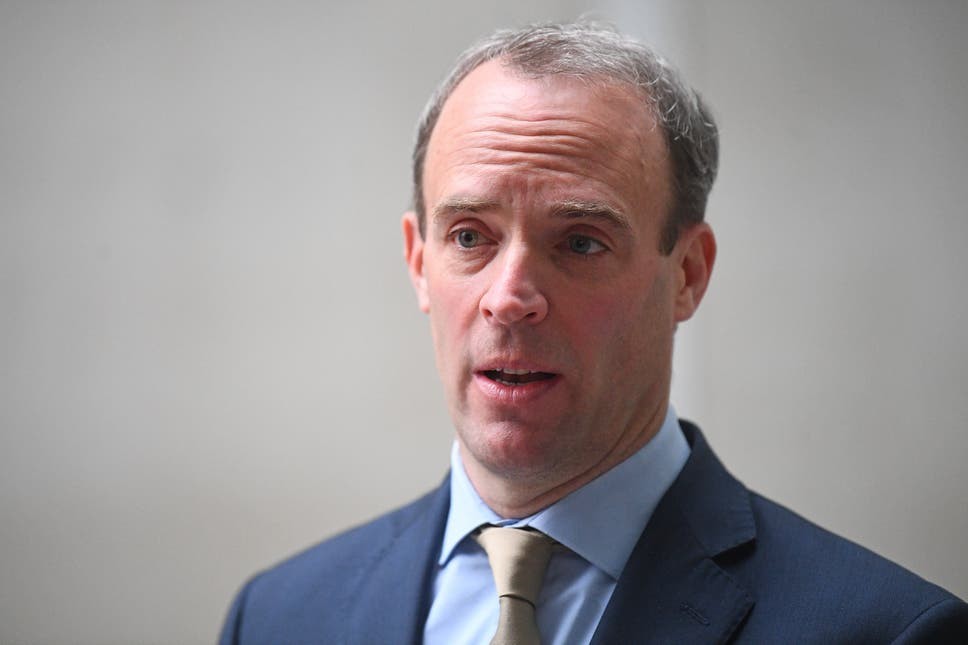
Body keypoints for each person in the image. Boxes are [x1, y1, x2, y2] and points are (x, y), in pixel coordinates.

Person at [219, 22, 968, 644]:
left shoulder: (887, 631)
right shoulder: (278, 617)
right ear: (419, 261)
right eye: (470, 237)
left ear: (688, 275)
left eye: (580, 242)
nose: (509, 299)